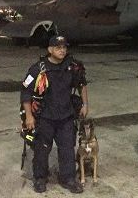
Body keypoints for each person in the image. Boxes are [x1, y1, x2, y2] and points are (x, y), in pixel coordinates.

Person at [20, 35, 87, 194]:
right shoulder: (38, 68)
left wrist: (85, 104)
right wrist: (29, 116)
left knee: (67, 149)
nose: (62, 50)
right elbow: (25, 92)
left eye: (64, 47)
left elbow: (82, 84)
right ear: (50, 50)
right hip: (45, 118)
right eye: (58, 48)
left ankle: (68, 178)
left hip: (66, 116)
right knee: (42, 150)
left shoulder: (73, 66)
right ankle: (40, 178)